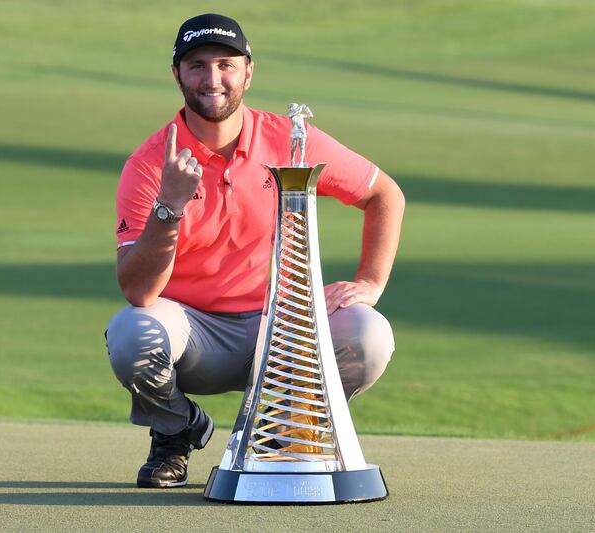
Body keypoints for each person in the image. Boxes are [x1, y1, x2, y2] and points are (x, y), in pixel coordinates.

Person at [105, 13, 405, 489]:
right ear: (177, 74)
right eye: (198, 65)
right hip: (194, 334)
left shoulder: (289, 139)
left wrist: (370, 282)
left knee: (369, 333)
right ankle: (175, 430)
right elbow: (137, 290)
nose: (213, 79)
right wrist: (169, 207)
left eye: (226, 64)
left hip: (285, 331)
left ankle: (284, 436)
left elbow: (383, 194)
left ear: (249, 70)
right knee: (130, 334)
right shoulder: (150, 163)